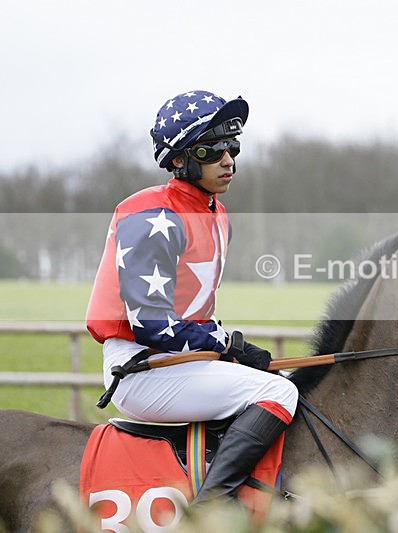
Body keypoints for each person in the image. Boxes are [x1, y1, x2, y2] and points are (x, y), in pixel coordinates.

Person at [86, 90, 298, 504]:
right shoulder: (152, 215)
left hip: (179, 362)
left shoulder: (217, 215)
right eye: (212, 150)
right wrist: (224, 344)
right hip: (140, 368)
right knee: (279, 394)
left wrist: (227, 348)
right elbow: (152, 325)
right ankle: (212, 507)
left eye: (232, 147)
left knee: (288, 383)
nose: (228, 160)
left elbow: (192, 312)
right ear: (179, 160)